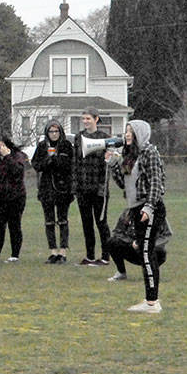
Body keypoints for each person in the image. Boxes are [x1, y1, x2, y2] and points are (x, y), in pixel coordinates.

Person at [106, 120, 168, 313]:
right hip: (135, 209)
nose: (127, 135)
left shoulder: (149, 152)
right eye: (126, 131)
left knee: (147, 255)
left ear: (140, 133)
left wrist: (149, 207)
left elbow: (156, 182)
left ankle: (152, 302)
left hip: (149, 209)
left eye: (131, 131)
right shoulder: (129, 155)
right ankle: (150, 300)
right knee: (144, 253)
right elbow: (124, 184)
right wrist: (113, 164)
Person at [72, 107, 112, 266]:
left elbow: (107, 165)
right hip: (83, 188)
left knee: (101, 223)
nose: (85, 121)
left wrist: (103, 186)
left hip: (99, 188)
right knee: (86, 223)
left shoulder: (104, 138)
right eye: (83, 119)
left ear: (96, 119)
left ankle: (105, 256)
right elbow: (75, 162)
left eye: (88, 118)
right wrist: (75, 186)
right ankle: (89, 256)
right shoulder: (78, 137)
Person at [31, 119, 74, 264]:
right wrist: (47, 161)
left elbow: (70, 165)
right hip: (46, 189)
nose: (54, 134)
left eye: (56, 131)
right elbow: (35, 164)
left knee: (63, 220)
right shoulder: (42, 146)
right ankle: (53, 251)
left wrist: (57, 160)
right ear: (47, 132)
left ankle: (63, 252)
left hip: (63, 189)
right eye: (51, 131)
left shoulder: (66, 145)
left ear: (60, 132)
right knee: (49, 221)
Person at [0, 134, 27, 263]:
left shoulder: (18, 156)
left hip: (16, 197)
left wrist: (8, 157)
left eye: (3, 146)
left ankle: (15, 254)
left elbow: (18, 171)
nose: (0, 149)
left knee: (14, 225)